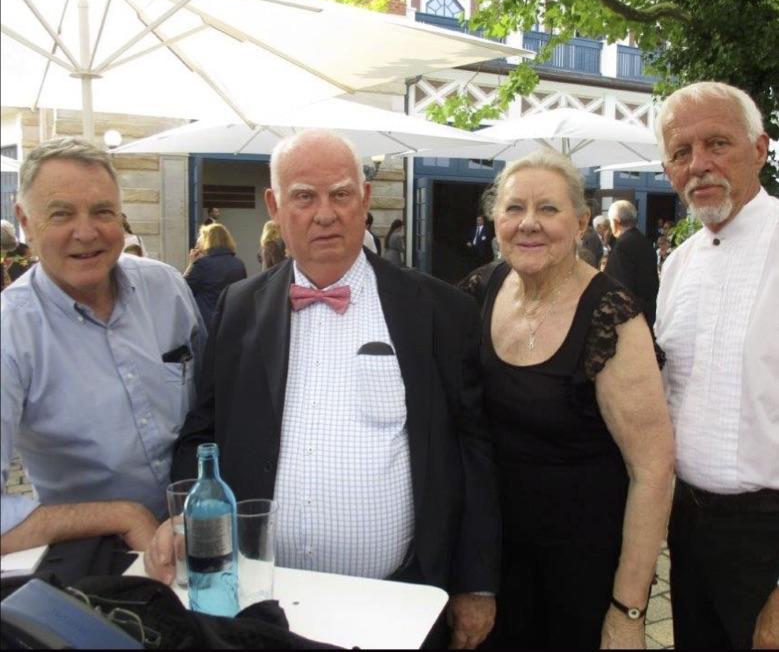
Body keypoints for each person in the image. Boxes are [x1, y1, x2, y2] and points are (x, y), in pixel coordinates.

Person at [145, 130, 500, 649]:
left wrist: (476, 583)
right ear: (274, 205)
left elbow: (474, 451)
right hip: (263, 601)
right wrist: (181, 522)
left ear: (364, 200)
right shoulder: (239, 308)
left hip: (398, 600)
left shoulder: (439, 311)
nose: (325, 213)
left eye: (340, 194)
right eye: (304, 196)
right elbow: (203, 435)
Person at [460, 148, 674, 649]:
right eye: (514, 209)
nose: (528, 223)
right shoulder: (478, 291)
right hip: (492, 568)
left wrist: (628, 612)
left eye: (548, 209)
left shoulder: (612, 315)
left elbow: (654, 469)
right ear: (496, 220)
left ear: (580, 223)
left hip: (581, 575)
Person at [0, 137, 206, 555]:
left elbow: (212, 410)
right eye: (61, 214)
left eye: (103, 212)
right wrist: (122, 516)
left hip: (202, 536)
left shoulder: (165, 287)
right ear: (24, 220)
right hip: (97, 561)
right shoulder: (11, 331)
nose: (86, 232)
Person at [654, 81, 779, 650]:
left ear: (760, 149)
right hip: (691, 530)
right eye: (681, 152)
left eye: (717, 144)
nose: (699, 165)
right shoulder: (677, 266)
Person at [604, 200, 659, 326]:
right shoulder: (644, 241)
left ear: (616, 221)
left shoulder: (623, 246)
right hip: (647, 310)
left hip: (630, 317)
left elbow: (621, 287)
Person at [184, 222, 247, 328]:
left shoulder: (202, 265)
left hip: (207, 323)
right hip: (232, 322)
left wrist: (191, 264)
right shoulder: (239, 264)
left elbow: (184, 289)